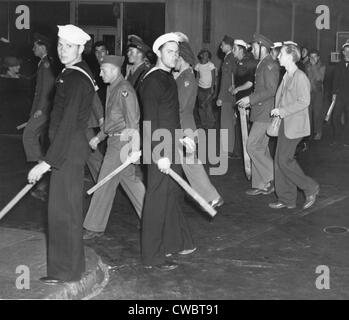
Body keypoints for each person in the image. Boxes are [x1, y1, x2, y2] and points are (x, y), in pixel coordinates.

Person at [28, 24, 96, 284]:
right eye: (60, 45)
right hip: (68, 151)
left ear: (80, 48)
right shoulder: (73, 74)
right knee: (64, 211)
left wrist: (46, 163)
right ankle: (69, 269)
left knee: (63, 213)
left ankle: (66, 272)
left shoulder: (75, 78)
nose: (63, 51)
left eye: (69, 46)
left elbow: (67, 123)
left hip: (66, 153)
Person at [138, 33, 195, 271]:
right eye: (170, 51)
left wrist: (183, 137)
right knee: (156, 201)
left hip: (170, 145)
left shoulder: (167, 78)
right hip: (159, 150)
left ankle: (173, 242)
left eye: (176, 52)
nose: (174, 55)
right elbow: (150, 121)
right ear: (158, 53)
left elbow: (169, 116)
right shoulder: (152, 80)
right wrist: (159, 154)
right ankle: (152, 256)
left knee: (172, 196)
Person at [83, 55, 145, 240]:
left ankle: (94, 226)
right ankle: (152, 217)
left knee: (104, 183)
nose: (100, 74)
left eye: (103, 70)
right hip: (115, 140)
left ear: (114, 70)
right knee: (131, 182)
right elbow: (112, 121)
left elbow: (133, 121)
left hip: (121, 143)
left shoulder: (124, 90)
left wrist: (134, 149)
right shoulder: (113, 88)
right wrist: (99, 137)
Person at [268, 43, 319, 210]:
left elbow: (305, 101)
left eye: (281, 54)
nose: (278, 57)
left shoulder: (300, 76)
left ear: (290, 56)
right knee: (278, 161)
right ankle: (287, 199)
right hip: (284, 123)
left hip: (295, 125)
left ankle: (310, 187)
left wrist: (282, 111)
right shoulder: (287, 75)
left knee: (284, 160)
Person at [175, 41, 224, 209]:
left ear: (181, 58)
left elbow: (180, 105)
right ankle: (209, 196)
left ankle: (212, 196)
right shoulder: (183, 76)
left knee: (191, 164)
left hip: (184, 127)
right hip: (182, 126)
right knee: (187, 164)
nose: (173, 59)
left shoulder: (187, 77)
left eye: (175, 55)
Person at [237, 34, 279, 196]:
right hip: (261, 111)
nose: (251, 50)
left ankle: (274, 176)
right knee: (260, 147)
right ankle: (261, 184)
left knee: (252, 146)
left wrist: (250, 98)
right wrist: (250, 102)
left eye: (254, 47)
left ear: (263, 47)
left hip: (265, 113)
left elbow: (271, 90)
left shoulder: (269, 65)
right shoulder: (263, 63)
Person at [23, 33, 55, 201]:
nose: (33, 49)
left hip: (45, 109)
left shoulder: (46, 63)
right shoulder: (43, 63)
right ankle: (45, 177)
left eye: (35, 46)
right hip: (41, 109)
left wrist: (41, 109)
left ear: (42, 47)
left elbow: (47, 89)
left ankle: (43, 167)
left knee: (28, 135)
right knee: (43, 142)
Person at [232, 39, 258, 159]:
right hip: (240, 98)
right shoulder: (239, 62)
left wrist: (237, 89)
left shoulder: (249, 62)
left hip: (246, 98)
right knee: (241, 126)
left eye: (235, 49)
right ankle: (242, 152)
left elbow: (250, 83)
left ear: (241, 50)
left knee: (246, 126)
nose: (233, 51)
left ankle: (249, 154)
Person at [216, 35, 237, 158]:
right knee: (229, 123)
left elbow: (225, 81)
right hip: (230, 96)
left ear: (228, 45)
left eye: (222, 44)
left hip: (227, 97)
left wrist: (220, 97)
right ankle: (229, 148)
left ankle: (227, 150)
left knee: (226, 124)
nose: (220, 46)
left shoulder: (229, 59)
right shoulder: (229, 58)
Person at [331, 41, 349, 146]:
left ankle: (346, 140)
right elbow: (335, 81)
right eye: (346, 51)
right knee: (335, 117)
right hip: (340, 96)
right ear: (342, 52)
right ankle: (337, 139)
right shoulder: (339, 65)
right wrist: (334, 94)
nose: (347, 54)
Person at [305, 49, 326, 140]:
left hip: (318, 92)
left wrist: (313, 66)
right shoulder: (306, 66)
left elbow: (319, 78)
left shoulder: (322, 66)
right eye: (311, 57)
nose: (313, 59)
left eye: (315, 57)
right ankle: (308, 132)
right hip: (308, 93)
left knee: (317, 113)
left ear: (318, 57)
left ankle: (318, 132)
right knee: (308, 113)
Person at [194, 49, 217, 129]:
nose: (207, 57)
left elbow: (214, 77)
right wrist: (195, 88)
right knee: (201, 106)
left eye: (208, 55)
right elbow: (197, 77)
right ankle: (203, 123)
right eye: (205, 55)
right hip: (200, 88)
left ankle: (211, 122)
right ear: (201, 55)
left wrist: (212, 88)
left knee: (208, 106)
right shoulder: (198, 66)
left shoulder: (211, 65)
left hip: (208, 89)